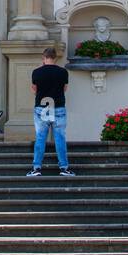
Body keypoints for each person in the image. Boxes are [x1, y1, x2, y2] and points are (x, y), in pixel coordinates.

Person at [27, 47, 76, 178]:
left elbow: (34, 89)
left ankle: (36, 168)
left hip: (42, 107)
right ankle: (64, 168)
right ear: (55, 58)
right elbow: (64, 88)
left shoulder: (36, 72)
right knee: (60, 138)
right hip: (58, 107)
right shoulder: (63, 72)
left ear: (44, 58)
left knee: (40, 138)